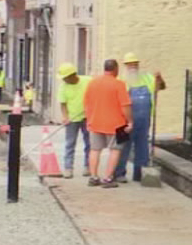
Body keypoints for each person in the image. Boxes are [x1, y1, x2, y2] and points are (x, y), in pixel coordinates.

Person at [113, 52, 167, 183]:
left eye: (135, 64)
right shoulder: (120, 81)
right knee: (123, 147)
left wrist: (159, 79)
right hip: (124, 121)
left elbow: (161, 87)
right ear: (125, 65)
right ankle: (119, 173)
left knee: (142, 147)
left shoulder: (148, 78)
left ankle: (140, 174)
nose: (133, 66)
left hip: (144, 120)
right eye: (130, 64)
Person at [83, 59, 132, 188]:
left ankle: (93, 177)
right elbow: (125, 106)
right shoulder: (119, 84)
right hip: (117, 124)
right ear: (115, 69)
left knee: (94, 150)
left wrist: (89, 120)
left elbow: (86, 104)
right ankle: (108, 179)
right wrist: (130, 121)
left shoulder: (92, 83)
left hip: (95, 122)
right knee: (115, 150)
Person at [57, 63, 91, 178]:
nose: (64, 80)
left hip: (87, 117)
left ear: (72, 75)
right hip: (72, 119)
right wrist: (65, 117)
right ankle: (68, 168)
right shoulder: (63, 87)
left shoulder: (88, 81)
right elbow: (63, 104)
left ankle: (88, 166)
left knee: (89, 143)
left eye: (65, 78)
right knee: (70, 143)